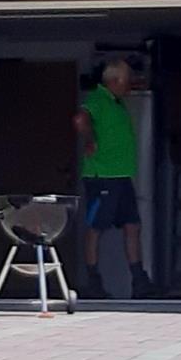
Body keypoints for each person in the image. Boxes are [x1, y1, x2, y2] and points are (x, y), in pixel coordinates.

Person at [74, 54, 146, 297]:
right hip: (102, 176)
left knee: (132, 226)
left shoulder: (116, 102)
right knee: (95, 228)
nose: (130, 85)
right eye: (127, 80)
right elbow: (80, 119)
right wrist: (90, 139)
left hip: (121, 176)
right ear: (115, 81)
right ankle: (93, 282)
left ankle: (139, 281)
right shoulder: (98, 98)